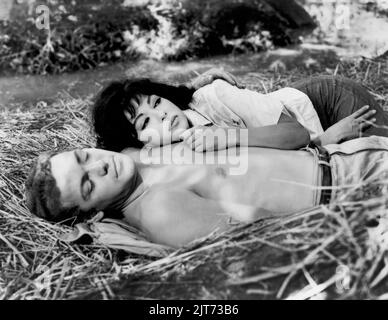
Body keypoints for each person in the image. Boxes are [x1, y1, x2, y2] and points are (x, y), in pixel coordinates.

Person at [26, 136, 388, 248]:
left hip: (343, 162)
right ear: (94, 214)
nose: (98, 166)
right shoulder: (161, 210)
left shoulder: (136, 171)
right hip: (349, 188)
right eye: (88, 185)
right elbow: (270, 238)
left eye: (84, 157)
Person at [91, 73, 388, 153]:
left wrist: (225, 137)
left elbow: (295, 134)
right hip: (317, 138)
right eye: (145, 122)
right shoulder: (162, 155)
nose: (163, 116)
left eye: (157, 104)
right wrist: (325, 142)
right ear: (138, 142)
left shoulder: (214, 96)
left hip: (325, 103)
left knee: (381, 159)